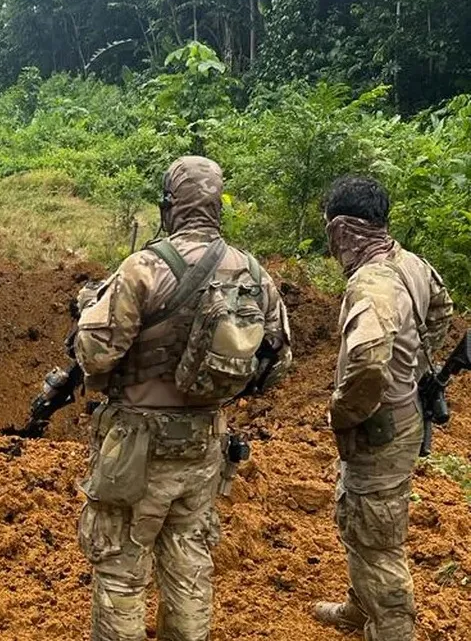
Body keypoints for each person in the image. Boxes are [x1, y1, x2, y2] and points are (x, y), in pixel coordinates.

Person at [73, 156, 292, 641]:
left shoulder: (143, 269)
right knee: (189, 565)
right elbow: (276, 364)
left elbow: (93, 356)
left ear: (169, 207)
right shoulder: (252, 272)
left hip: (135, 451)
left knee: (122, 570)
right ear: (216, 207)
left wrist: (90, 308)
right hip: (204, 447)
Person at [313, 176, 453, 640]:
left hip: (380, 427)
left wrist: (343, 412)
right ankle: (361, 608)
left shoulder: (370, 284)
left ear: (341, 231)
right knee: (360, 516)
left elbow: (369, 363)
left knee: (376, 539)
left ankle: (392, 627)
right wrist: (411, 368)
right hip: (405, 413)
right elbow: (442, 309)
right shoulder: (410, 263)